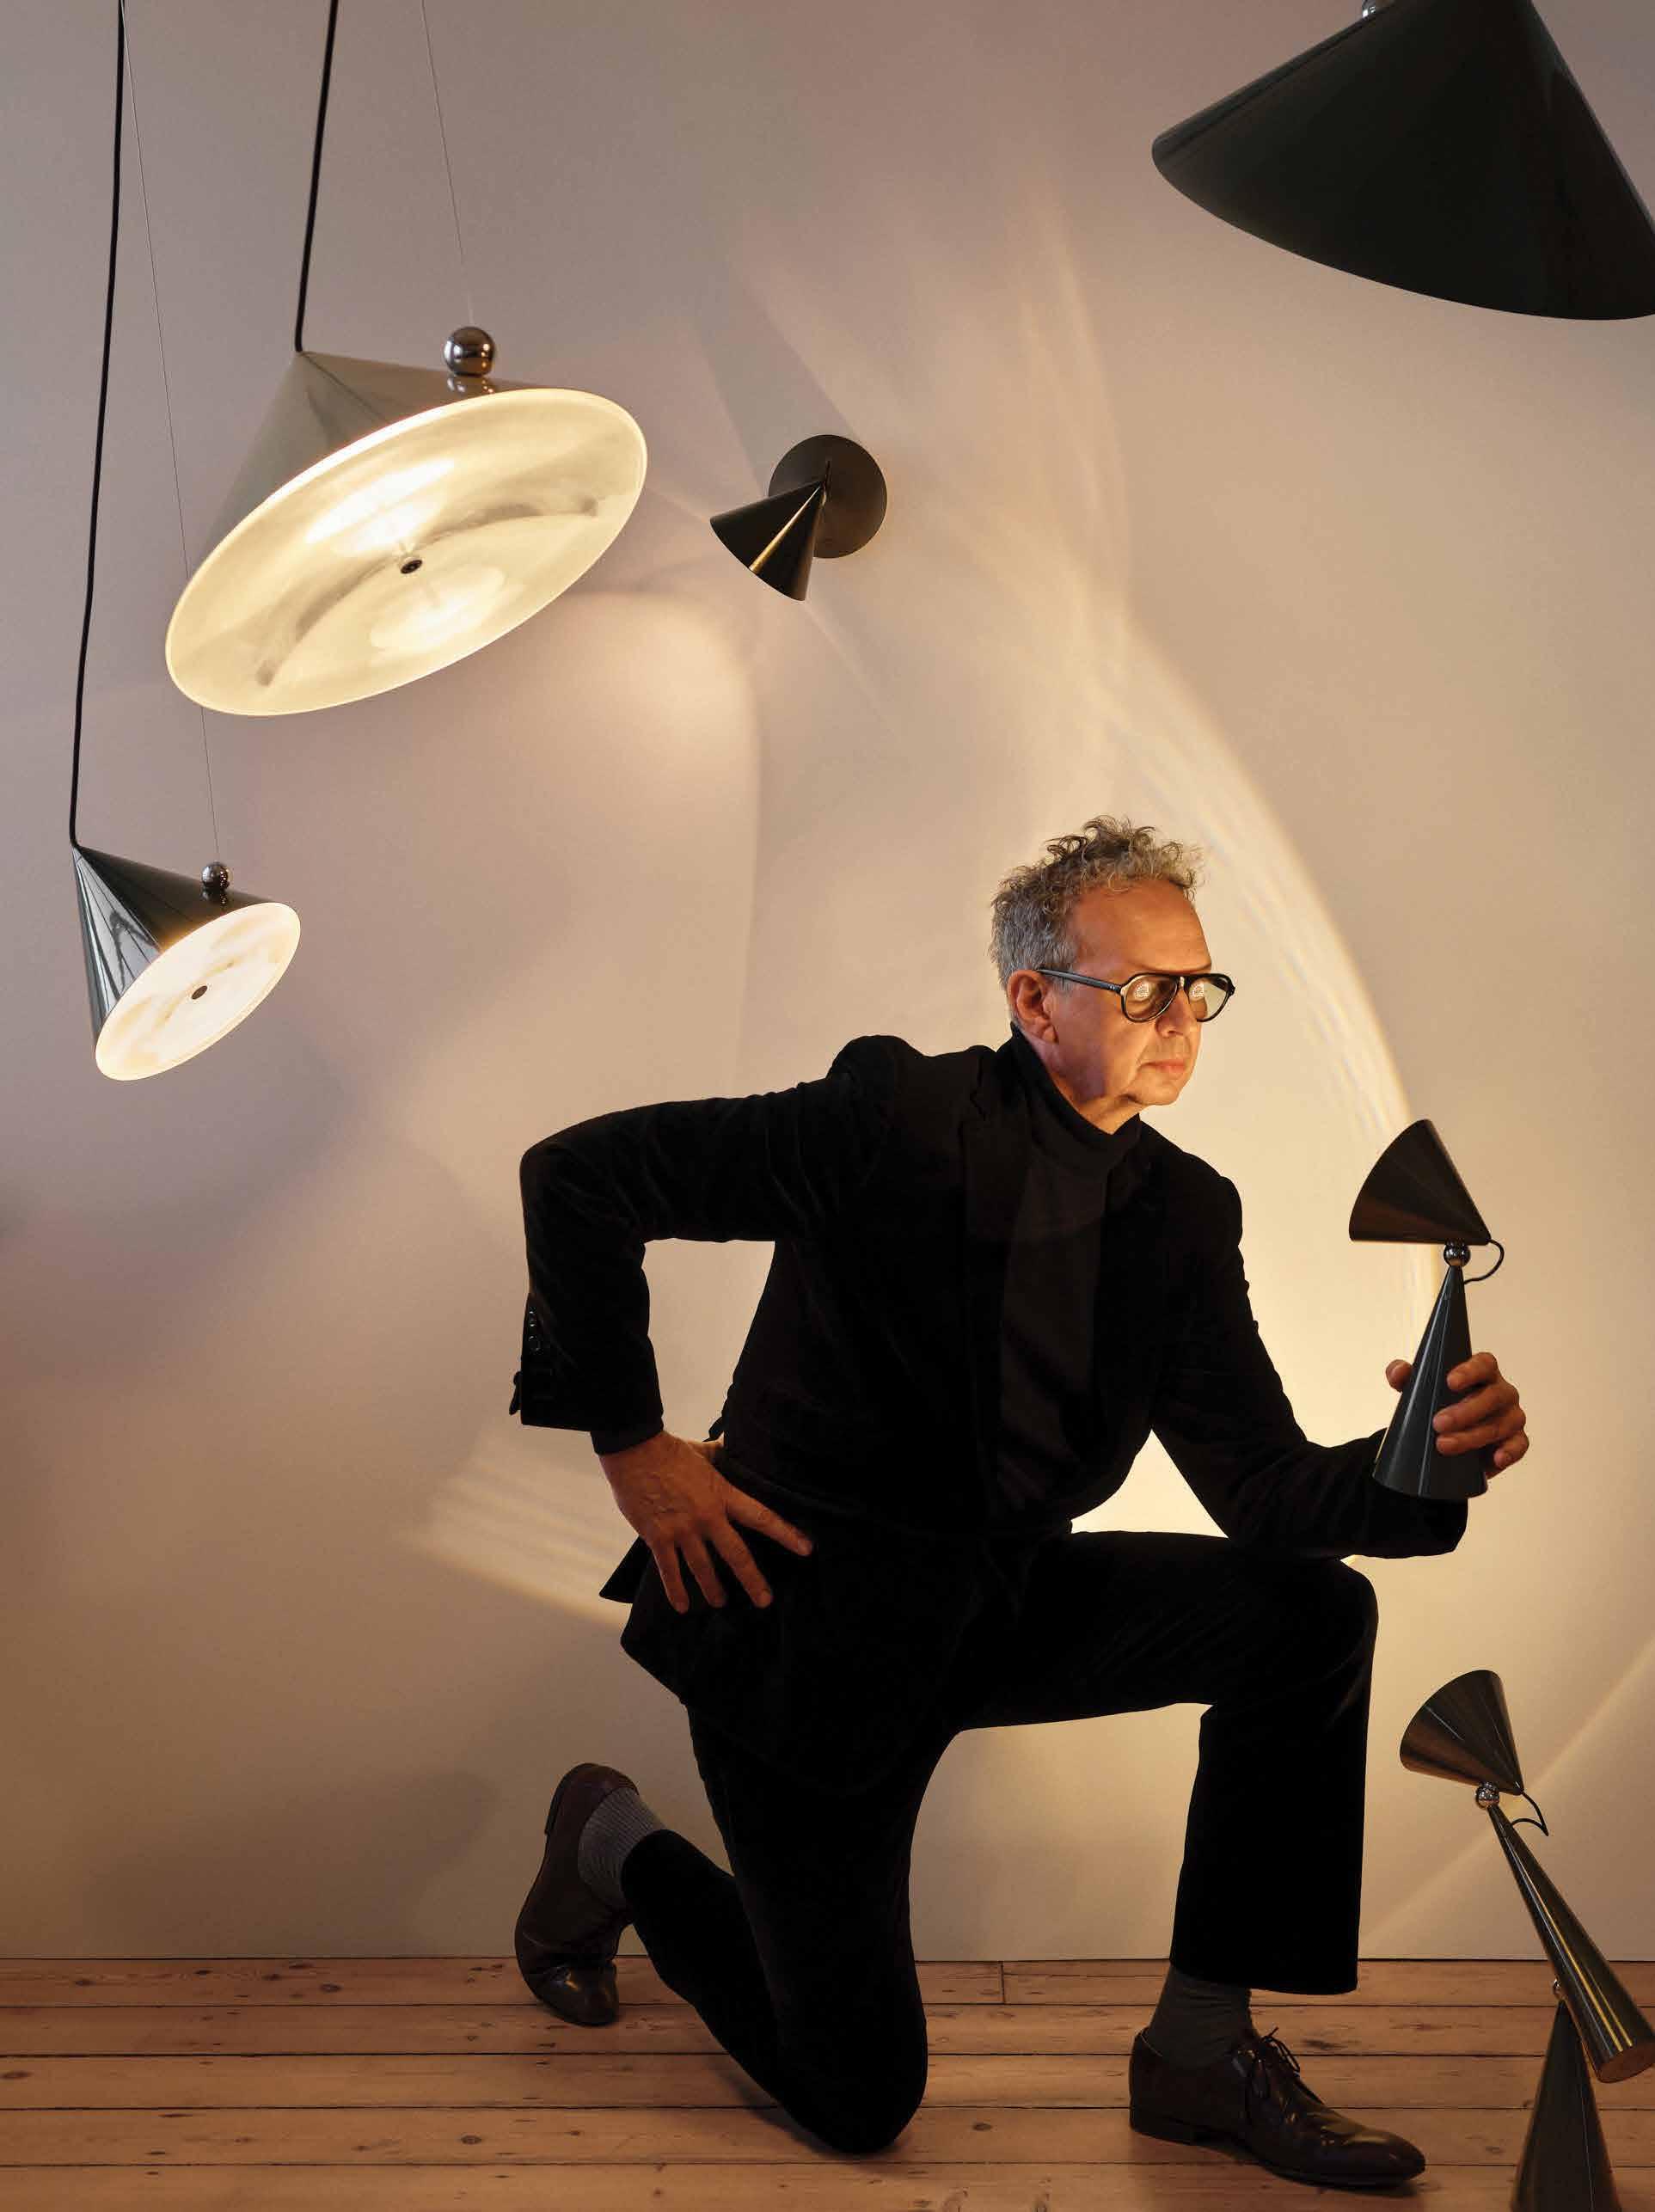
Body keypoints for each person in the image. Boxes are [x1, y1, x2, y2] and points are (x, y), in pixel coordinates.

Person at [507, 816, 1529, 2186]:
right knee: (856, 2097)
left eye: (1198, 987)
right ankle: (607, 1838)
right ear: (1034, 1001)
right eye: (1144, 988)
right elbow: (577, 1178)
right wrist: (634, 1446)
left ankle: (1198, 2047)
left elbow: (1263, 1488)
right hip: (804, 1623)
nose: (1181, 1019)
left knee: (1309, 1616)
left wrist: (1428, 1456)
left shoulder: (1181, 1211)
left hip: (1000, 1602)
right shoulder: (888, 1119)